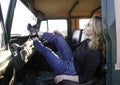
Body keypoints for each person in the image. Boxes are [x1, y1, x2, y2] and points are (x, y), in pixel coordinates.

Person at [33, 16, 104, 84]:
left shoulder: (94, 53)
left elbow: (84, 79)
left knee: (46, 51)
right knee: (58, 37)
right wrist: (61, 36)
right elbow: (72, 47)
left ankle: (34, 39)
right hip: (71, 59)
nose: (85, 25)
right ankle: (37, 32)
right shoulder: (88, 41)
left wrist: (63, 77)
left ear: (95, 30)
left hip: (69, 70)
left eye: (88, 25)